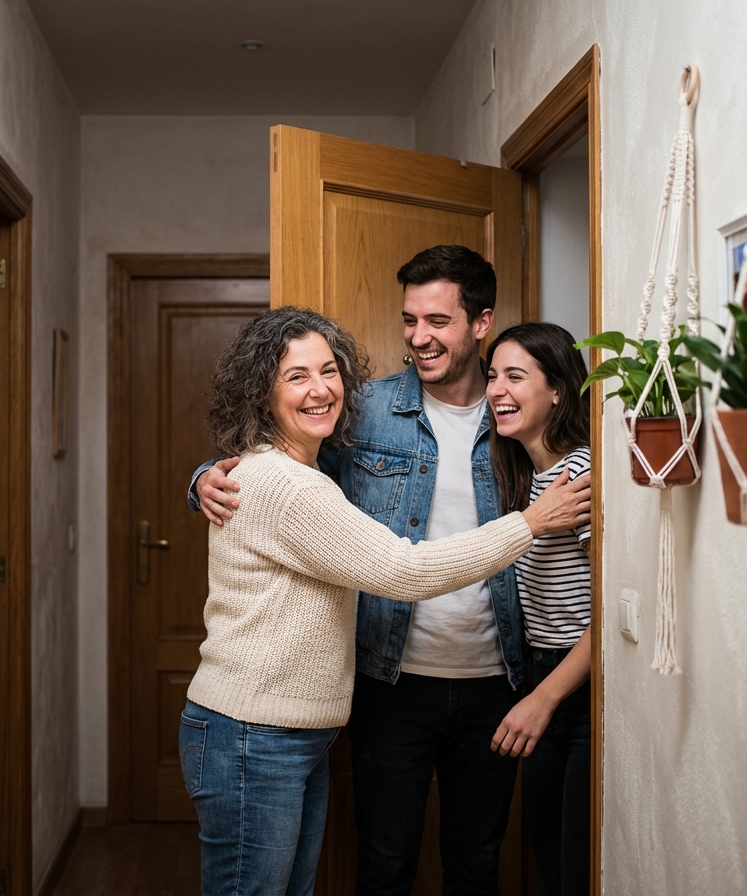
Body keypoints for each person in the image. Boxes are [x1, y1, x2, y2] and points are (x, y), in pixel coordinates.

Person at [192, 246, 590, 895]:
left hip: (498, 680)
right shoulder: (362, 410)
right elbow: (274, 465)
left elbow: (573, 462)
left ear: (481, 323)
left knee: (476, 864)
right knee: (383, 865)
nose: (419, 336)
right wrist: (204, 479)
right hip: (390, 681)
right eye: (410, 320)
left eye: (438, 321)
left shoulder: (515, 411)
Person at [485, 323, 592, 896]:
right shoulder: (524, 478)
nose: (497, 390)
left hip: (580, 689)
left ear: (556, 390)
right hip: (540, 676)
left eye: (515, 376)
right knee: (550, 866)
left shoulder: (581, 474)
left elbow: (613, 611)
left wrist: (544, 699)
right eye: (492, 376)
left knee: (575, 870)